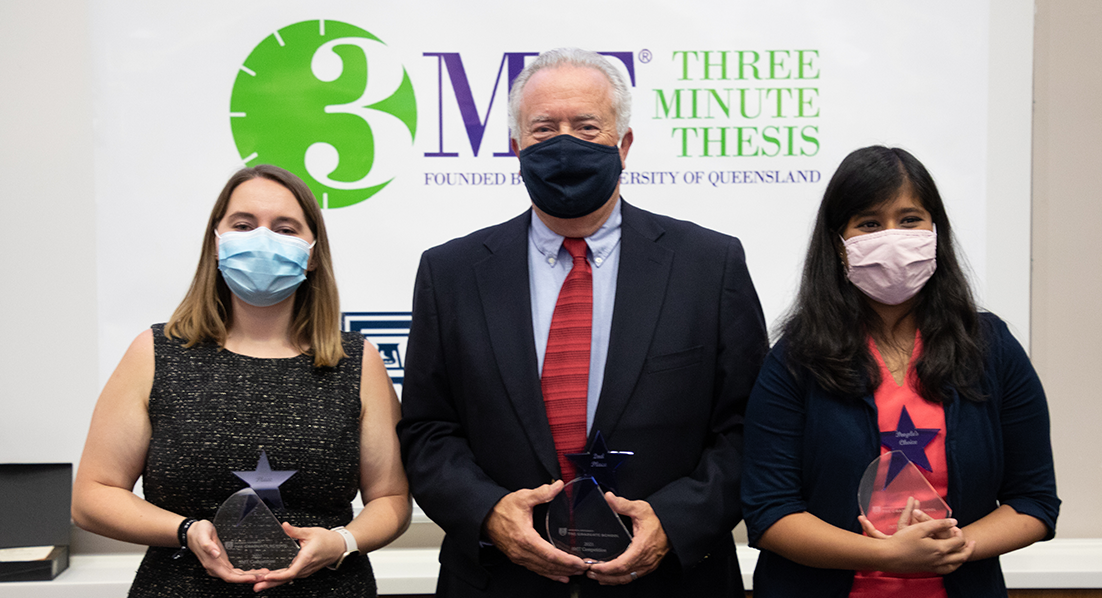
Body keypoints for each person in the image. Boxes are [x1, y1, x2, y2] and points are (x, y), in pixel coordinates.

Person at [397, 47, 769, 597]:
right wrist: (489, 512)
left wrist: (673, 521)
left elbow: (748, 426)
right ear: (516, 147)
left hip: (669, 583)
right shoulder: (451, 272)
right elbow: (427, 430)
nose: (565, 142)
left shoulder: (709, 265)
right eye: (544, 128)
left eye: (587, 126)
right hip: (499, 582)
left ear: (624, 144)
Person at [72, 165, 411, 597]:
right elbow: (92, 497)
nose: (263, 239)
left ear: (311, 254)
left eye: (285, 228)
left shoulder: (356, 362)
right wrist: (186, 531)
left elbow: (392, 500)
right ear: (217, 243)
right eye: (244, 225)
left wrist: (343, 542)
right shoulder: (155, 353)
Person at [741, 146, 1060, 597]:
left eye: (910, 220)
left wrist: (954, 547)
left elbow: (1034, 501)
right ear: (839, 242)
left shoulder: (990, 347)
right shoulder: (795, 358)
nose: (892, 236)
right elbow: (769, 512)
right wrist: (886, 556)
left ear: (935, 232)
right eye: (869, 224)